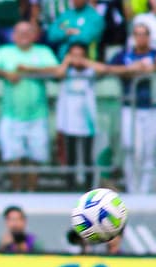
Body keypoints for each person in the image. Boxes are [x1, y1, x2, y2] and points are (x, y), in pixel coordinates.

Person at [0, 22, 59, 191]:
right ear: (13, 35)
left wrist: (28, 70)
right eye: (20, 32)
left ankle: (32, 191)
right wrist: (5, 73)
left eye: (28, 32)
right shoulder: (6, 52)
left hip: (38, 114)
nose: (24, 35)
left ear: (34, 35)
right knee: (13, 155)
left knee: (36, 156)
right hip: (11, 113)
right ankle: (16, 190)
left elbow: (56, 70)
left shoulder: (42, 52)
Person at [20, 43, 104, 189]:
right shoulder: (66, 71)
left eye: (80, 55)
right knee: (70, 156)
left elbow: (103, 70)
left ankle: (88, 187)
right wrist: (67, 62)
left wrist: (84, 62)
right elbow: (58, 74)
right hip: (68, 120)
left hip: (87, 120)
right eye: (74, 55)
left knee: (87, 156)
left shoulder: (89, 72)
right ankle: (70, 185)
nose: (77, 59)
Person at [106, 23, 156, 193]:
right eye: (137, 34)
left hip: (150, 107)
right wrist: (132, 70)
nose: (140, 37)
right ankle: (132, 188)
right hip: (130, 106)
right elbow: (108, 68)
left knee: (148, 150)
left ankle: (145, 190)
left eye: (144, 34)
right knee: (131, 148)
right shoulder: (125, 55)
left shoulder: (154, 54)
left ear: (149, 36)